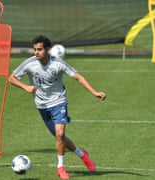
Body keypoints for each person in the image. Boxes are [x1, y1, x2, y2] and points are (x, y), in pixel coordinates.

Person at [8, 35, 106, 179]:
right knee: (60, 138)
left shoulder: (58, 63)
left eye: (40, 49)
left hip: (59, 102)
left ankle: (60, 168)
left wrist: (94, 92)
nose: (36, 52)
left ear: (47, 50)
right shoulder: (29, 63)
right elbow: (11, 78)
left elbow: (78, 77)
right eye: (35, 49)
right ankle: (82, 154)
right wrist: (25, 87)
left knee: (59, 135)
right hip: (41, 105)